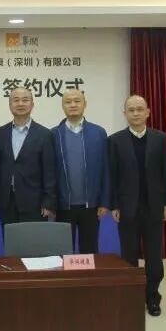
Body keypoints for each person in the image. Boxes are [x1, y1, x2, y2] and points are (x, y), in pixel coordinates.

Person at [109, 95, 166, 317]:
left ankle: (152, 297)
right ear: (124, 113)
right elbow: (113, 176)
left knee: (154, 256)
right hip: (127, 207)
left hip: (154, 207)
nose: (135, 113)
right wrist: (114, 205)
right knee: (129, 256)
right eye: (131, 110)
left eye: (139, 109)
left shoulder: (160, 139)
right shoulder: (115, 140)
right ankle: (131, 296)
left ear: (148, 112)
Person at [52, 89, 110, 254]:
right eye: (68, 102)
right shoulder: (54, 134)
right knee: (62, 251)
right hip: (63, 206)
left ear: (85, 104)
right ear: (62, 106)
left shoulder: (98, 133)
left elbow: (106, 169)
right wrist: (51, 203)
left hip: (91, 206)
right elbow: (49, 172)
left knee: (89, 251)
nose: (73, 105)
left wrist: (104, 202)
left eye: (77, 101)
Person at [0, 87, 56, 225]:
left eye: (25, 100)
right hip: (6, 202)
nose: (20, 104)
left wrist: (48, 202)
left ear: (32, 104)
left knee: (33, 239)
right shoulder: (1, 132)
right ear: (10, 105)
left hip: (35, 203)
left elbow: (49, 172)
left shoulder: (45, 134)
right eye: (16, 100)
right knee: (10, 238)